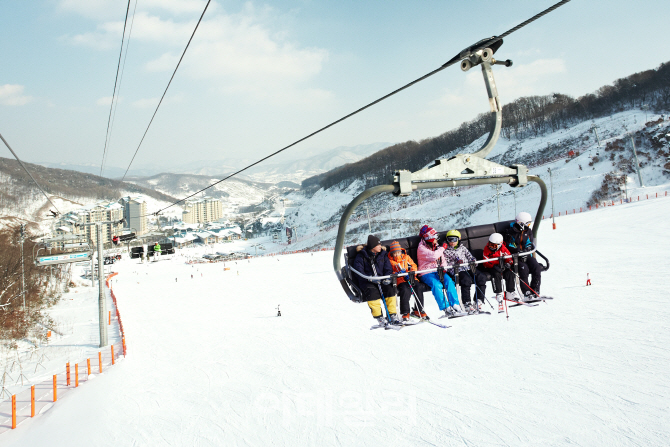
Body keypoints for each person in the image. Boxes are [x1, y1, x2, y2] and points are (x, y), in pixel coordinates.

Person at [353, 235, 402, 326]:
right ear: (372, 246)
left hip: (381, 279)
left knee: (390, 290)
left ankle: (392, 315)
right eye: (378, 245)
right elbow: (359, 271)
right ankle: (379, 317)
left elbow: (388, 268)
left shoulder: (383, 255)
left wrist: (387, 277)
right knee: (372, 293)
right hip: (368, 281)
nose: (380, 246)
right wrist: (370, 278)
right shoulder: (361, 256)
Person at [416, 225, 461, 316]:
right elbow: (434, 256)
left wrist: (443, 268)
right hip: (426, 272)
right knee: (437, 285)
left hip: (438, 270)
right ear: (430, 238)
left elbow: (442, 259)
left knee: (449, 281)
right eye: (436, 237)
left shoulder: (436, 246)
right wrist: (442, 248)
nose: (437, 239)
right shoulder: (421, 248)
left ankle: (455, 304)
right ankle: (446, 308)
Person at [442, 229, 487, 313]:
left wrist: (473, 261)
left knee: (481, 277)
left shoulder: (462, 248)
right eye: (449, 240)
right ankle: (466, 303)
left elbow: (470, 256)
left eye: (454, 239)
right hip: (457, 270)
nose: (451, 242)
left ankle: (479, 300)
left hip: (468, 267)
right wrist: (455, 263)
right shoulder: (445, 251)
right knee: (466, 280)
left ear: (459, 239)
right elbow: (446, 263)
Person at [502, 211, 542, 298]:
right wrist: (518, 252)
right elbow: (509, 244)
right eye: (527, 224)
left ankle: (535, 288)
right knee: (524, 269)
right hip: (516, 257)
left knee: (537, 267)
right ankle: (526, 291)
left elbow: (529, 242)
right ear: (521, 223)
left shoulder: (528, 231)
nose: (528, 226)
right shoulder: (510, 232)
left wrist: (526, 249)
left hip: (527, 254)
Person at [387, 240, 429, 321]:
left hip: (411, 278)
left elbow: (414, 266)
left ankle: (418, 309)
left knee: (418, 287)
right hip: (400, 280)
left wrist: (410, 273)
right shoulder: (390, 261)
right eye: (394, 253)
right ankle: (405, 312)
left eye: (398, 252)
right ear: (392, 253)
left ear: (400, 251)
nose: (397, 254)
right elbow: (389, 271)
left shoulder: (406, 257)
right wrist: (397, 273)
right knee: (405, 290)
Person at [481, 233, 518, 312]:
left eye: (494, 246)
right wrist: (493, 266)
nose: (491, 247)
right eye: (490, 245)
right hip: (491, 267)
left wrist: (509, 263)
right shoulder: (486, 249)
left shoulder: (503, 249)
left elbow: (509, 257)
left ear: (499, 245)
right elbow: (485, 260)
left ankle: (509, 292)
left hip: (502, 265)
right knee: (496, 274)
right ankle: (499, 293)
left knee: (510, 272)